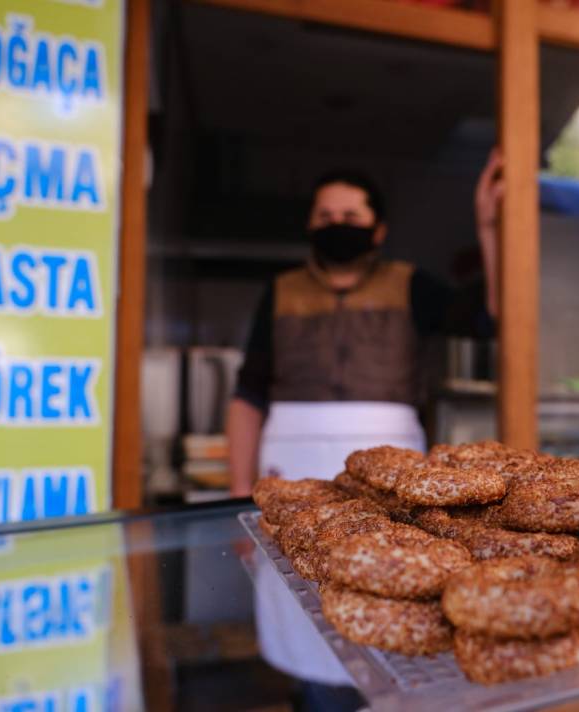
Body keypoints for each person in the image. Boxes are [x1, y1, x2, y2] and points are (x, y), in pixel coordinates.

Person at [227, 152, 503, 710]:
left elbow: (490, 320)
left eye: (351, 216)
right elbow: (248, 394)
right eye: (325, 215)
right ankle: (315, 694)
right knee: (300, 593)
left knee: (396, 587)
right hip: (289, 466)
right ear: (310, 225)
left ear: (377, 230)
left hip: (391, 462)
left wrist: (490, 227)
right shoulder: (281, 291)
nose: (337, 226)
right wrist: (238, 496)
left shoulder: (410, 285)